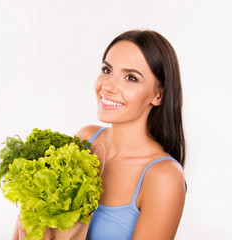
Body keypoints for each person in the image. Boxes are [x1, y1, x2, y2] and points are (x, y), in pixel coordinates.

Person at [75, 30, 187, 240]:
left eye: (130, 77)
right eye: (107, 70)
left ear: (158, 95)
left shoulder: (163, 177)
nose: (107, 86)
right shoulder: (85, 140)